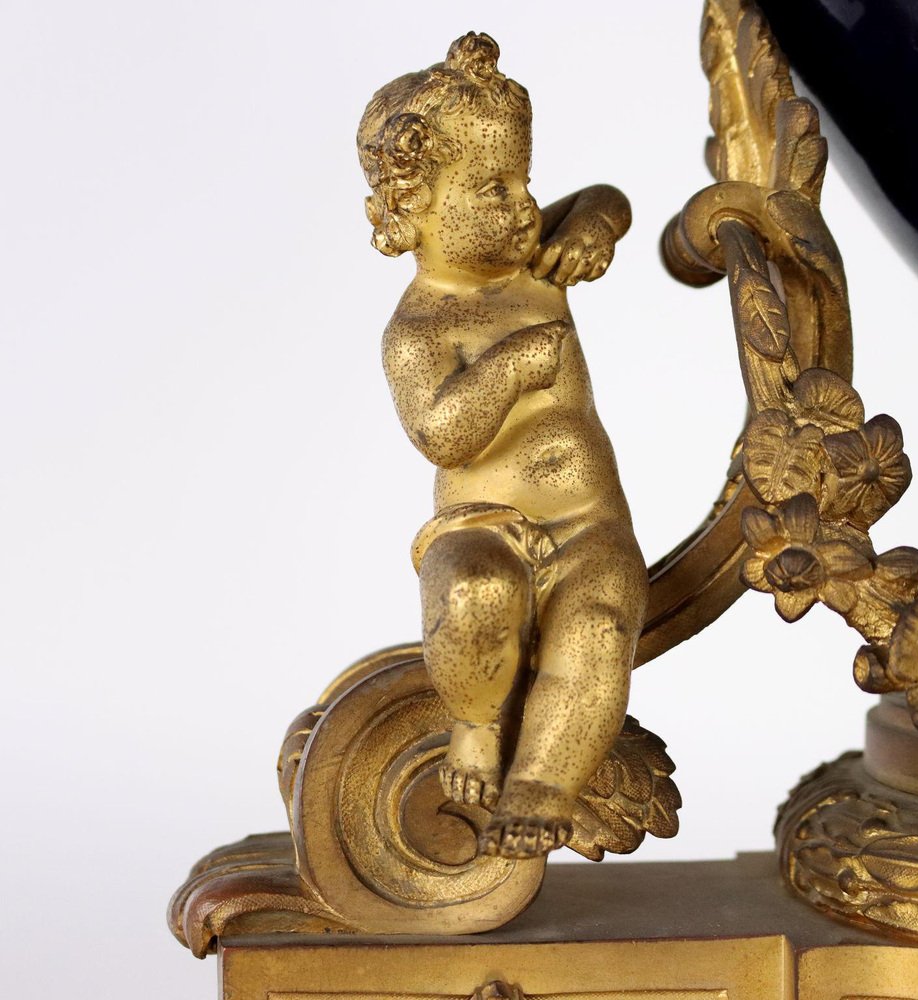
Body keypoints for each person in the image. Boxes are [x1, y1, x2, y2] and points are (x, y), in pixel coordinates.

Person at [358, 32, 647, 859]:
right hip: (483, 526)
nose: (523, 207)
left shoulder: (536, 268)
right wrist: (513, 366)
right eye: (494, 188)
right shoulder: (418, 330)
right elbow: (442, 434)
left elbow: (609, 196)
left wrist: (594, 224)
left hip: (590, 526)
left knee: (600, 625)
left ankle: (543, 785)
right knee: (472, 594)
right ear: (416, 208)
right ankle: (477, 724)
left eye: (525, 181)